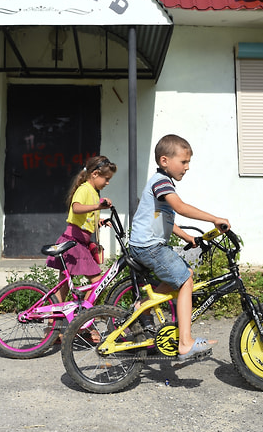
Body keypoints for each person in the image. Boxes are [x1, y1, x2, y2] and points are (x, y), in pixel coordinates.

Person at [129, 134, 230, 362]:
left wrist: (187, 237)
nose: (187, 167)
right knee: (185, 280)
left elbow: (164, 218)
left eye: (188, 162)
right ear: (165, 161)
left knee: (186, 274)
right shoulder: (161, 182)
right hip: (149, 247)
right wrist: (214, 218)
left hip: (147, 245)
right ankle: (185, 342)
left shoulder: (161, 183)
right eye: (183, 162)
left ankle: (142, 305)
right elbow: (180, 208)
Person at [46, 155, 116, 303]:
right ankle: (85, 317)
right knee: (97, 281)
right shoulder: (84, 189)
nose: (108, 182)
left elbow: (86, 218)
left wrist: (100, 221)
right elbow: (76, 208)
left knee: (64, 283)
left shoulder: (93, 192)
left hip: (76, 242)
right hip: (74, 243)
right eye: (106, 178)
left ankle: (53, 325)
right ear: (95, 174)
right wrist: (98, 206)